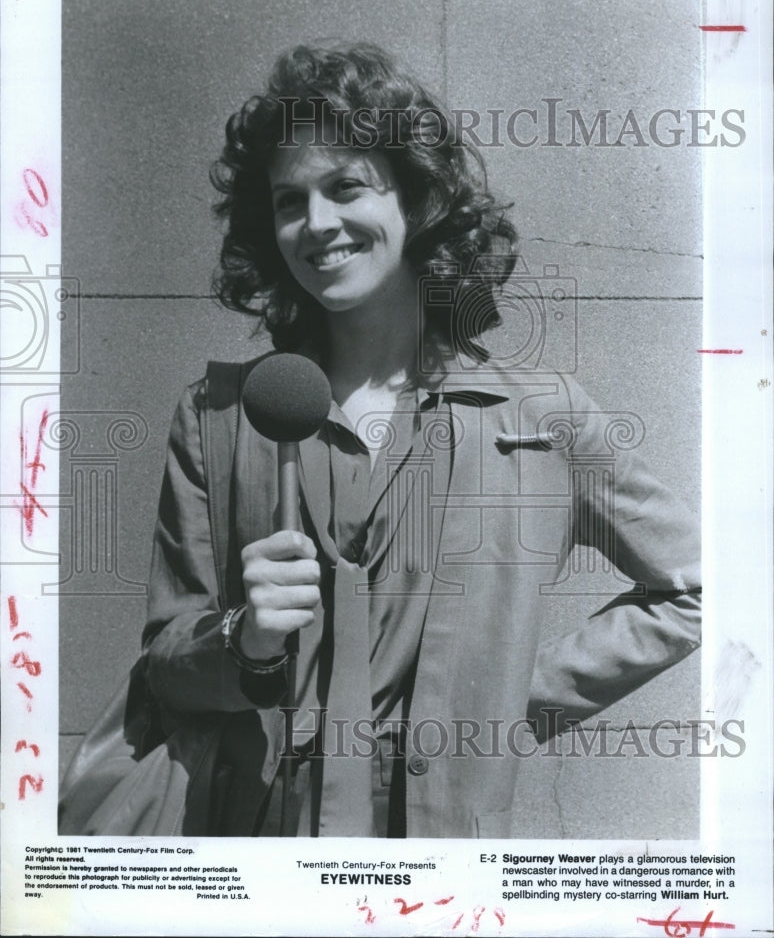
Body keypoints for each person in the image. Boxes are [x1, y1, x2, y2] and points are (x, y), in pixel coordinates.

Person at [141, 43, 701, 838]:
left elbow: (700, 588)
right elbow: (166, 671)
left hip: (444, 861)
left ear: (417, 200)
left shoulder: (543, 415)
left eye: (345, 188)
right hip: (257, 849)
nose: (317, 224)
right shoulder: (216, 415)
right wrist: (246, 640)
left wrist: (512, 698)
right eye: (289, 201)